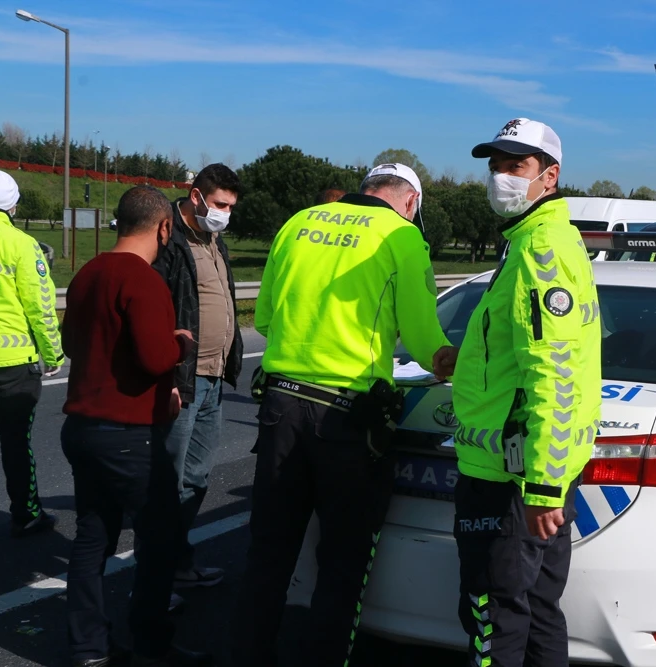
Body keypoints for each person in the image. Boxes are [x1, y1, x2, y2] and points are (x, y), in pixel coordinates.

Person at [231, 163, 457, 666]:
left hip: (280, 405)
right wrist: (461, 366)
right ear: (411, 202)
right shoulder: (400, 237)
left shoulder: (300, 221)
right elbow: (424, 342)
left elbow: (264, 316)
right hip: (346, 419)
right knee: (341, 560)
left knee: (269, 551)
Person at [443, 118, 603, 667]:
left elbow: (554, 373)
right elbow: (514, 353)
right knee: (535, 609)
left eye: (516, 166)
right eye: (495, 165)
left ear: (549, 176)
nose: (500, 177)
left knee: (495, 616)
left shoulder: (541, 250)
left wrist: (542, 488)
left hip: (511, 477)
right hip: (530, 469)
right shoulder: (535, 241)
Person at [61, 185, 212, 667]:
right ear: (164, 227)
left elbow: (73, 342)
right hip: (127, 434)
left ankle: (89, 647)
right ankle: (152, 643)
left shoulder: (89, 273)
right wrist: (181, 344)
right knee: (163, 537)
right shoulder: (144, 280)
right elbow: (154, 356)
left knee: (92, 538)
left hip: (81, 427)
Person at [143, 163, 243, 604]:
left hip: (214, 376)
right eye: (219, 204)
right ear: (196, 196)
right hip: (182, 379)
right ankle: (155, 582)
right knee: (167, 482)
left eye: (230, 207)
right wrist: (168, 375)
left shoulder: (213, 239)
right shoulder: (170, 241)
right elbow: (157, 308)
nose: (224, 213)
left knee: (197, 478)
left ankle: (177, 564)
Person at [0, 169, 64, 537]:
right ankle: (26, 513)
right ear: (13, 203)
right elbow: (40, 306)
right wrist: (53, 354)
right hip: (13, 366)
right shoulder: (21, 243)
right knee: (15, 444)